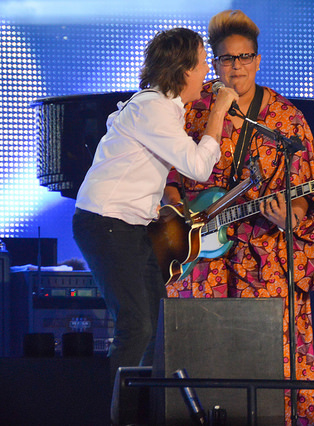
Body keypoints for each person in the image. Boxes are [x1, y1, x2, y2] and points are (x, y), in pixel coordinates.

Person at [162, 10, 314, 425]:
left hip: (265, 259)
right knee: (199, 352)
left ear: (258, 60)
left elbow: (307, 192)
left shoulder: (286, 117)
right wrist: (175, 210)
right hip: (198, 257)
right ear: (215, 61)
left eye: (245, 57)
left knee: (268, 358)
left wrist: (290, 218)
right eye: (227, 59)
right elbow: (168, 176)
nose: (237, 66)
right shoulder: (192, 111)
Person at [72, 27, 238, 385]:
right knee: (137, 323)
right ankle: (121, 413)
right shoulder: (154, 108)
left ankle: (141, 404)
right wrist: (218, 112)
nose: (208, 70)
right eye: (203, 62)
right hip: (107, 221)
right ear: (183, 70)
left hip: (130, 224)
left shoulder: (159, 107)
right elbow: (198, 166)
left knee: (157, 320)